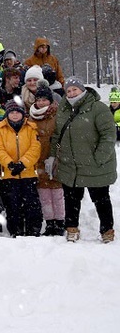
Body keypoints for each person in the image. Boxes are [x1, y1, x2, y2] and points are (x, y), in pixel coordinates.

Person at [51, 77, 116, 243]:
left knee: (101, 200)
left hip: (95, 165)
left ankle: (107, 230)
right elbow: (57, 135)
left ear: (83, 90)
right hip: (70, 164)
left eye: (75, 89)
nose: (72, 93)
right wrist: (53, 156)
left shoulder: (98, 108)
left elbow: (108, 135)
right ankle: (71, 228)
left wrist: (99, 158)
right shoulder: (64, 109)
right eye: (69, 90)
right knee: (71, 199)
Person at [0, 100, 42, 237]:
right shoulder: (1, 129)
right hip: (9, 175)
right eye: (12, 112)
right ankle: (15, 230)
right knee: (12, 205)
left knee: (31, 204)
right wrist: (9, 163)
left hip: (28, 174)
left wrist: (23, 164)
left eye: (17, 112)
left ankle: (33, 229)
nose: (15, 115)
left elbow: (35, 148)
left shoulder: (31, 128)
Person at [28, 82, 65, 236]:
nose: (41, 102)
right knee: (44, 195)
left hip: (55, 159)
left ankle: (60, 222)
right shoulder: (31, 117)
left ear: (50, 100)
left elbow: (61, 137)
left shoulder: (58, 115)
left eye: (44, 99)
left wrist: (55, 156)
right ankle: (49, 223)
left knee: (57, 194)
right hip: (38, 160)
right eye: (39, 99)